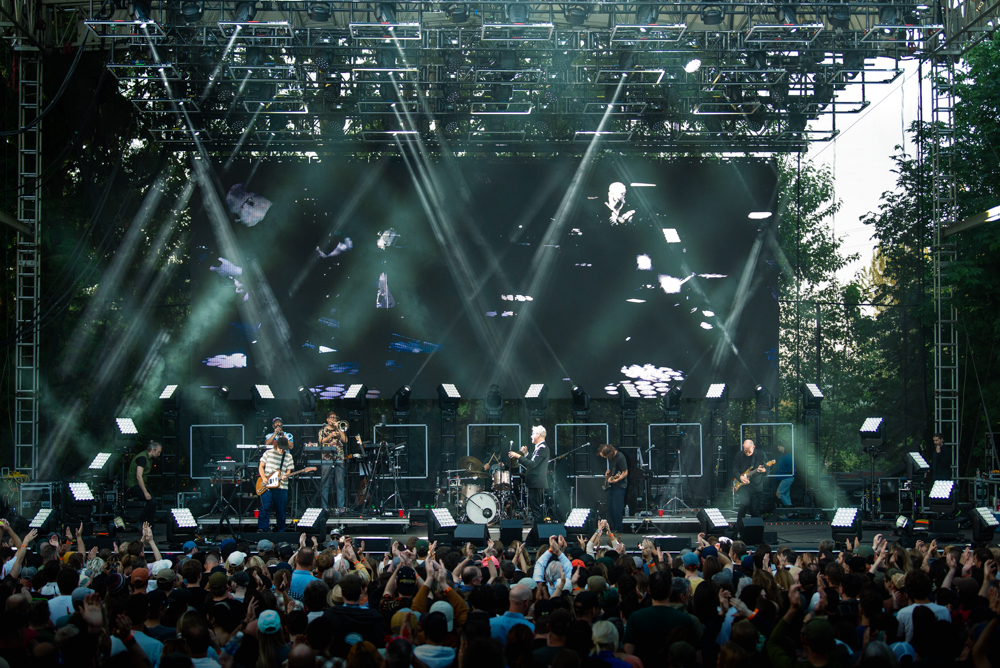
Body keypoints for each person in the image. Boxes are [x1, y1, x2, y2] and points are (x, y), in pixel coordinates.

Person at [509, 425, 550, 523]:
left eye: (532, 434)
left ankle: (538, 532)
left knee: (536, 510)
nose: (531, 436)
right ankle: (537, 530)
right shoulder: (539, 448)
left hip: (537, 482)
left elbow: (532, 464)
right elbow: (534, 460)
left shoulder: (542, 448)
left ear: (538, 435)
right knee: (535, 508)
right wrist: (526, 454)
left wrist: (518, 456)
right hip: (535, 482)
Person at [258, 429, 295, 532]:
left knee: (281, 510)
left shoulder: (288, 456)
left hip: (281, 486)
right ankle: (262, 529)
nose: (281, 451)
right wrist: (264, 478)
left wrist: (286, 476)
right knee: (265, 508)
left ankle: (281, 531)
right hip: (267, 486)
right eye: (280, 448)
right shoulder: (268, 453)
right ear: (276, 445)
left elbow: (288, 471)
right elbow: (261, 467)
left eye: (283, 449)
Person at [732, 439, 768, 537]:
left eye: (749, 450)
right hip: (744, 487)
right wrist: (740, 477)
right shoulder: (739, 455)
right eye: (745, 450)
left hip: (756, 487)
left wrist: (764, 470)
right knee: (744, 506)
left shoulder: (760, 455)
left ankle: (754, 535)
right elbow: (735, 470)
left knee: (754, 510)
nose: (747, 452)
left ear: (754, 447)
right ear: (743, 446)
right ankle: (738, 532)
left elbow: (768, 469)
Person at [316, 411, 348, 516]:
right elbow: (320, 442)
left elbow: (345, 440)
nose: (333, 419)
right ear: (327, 419)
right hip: (326, 459)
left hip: (339, 458)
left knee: (340, 484)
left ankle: (341, 507)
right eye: (331, 417)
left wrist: (338, 428)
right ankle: (324, 508)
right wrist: (330, 435)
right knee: (325, 484)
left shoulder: (339, 429)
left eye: (334, 417)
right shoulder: (322, 430)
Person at [127, 441, 162, 530]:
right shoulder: (142, 458)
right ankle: (140, 521)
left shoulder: (147, 458)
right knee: (151, 501)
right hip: (133, 485)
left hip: (139, 484)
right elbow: (139, 476)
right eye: (158, 452)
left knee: (153, 502)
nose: (159, 454)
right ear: (153, 450)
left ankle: (150, 527)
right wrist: (145, 492)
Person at [597, 444, 628, 533]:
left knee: (617, 508)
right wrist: (609, 473)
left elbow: (625, 472)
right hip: (611, 486)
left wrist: (616, 480)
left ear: (608, 453)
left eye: (605, 456)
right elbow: (614, 470)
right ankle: (612, 528)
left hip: (620, 486)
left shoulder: (620, 457)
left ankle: (619, 529)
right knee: (610, 508)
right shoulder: (611, 458)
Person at [774, 441, 794, 507]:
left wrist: (784, 473)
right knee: (786, 494)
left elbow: (792, 467)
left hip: (787, 477)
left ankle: (790, 508)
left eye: (779, 446)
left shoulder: (788, 456)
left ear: (783, 447)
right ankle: (788, 513)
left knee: (779, 493)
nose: (778, 447)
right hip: (785, 477)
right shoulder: (781, 456)